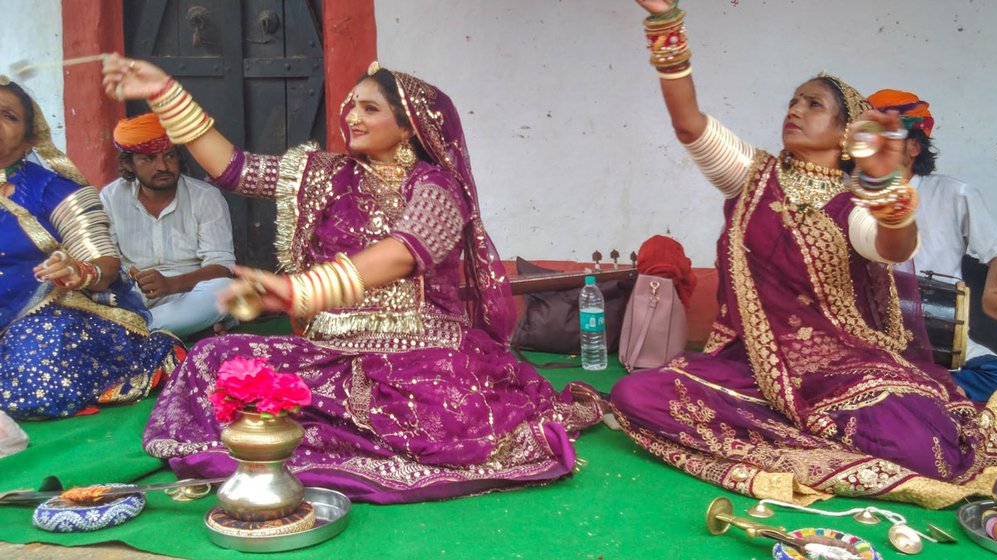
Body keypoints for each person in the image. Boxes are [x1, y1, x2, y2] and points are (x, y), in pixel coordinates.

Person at [102, 56, 604, 503]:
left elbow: (405, 253)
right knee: (214, 359)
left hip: (418, 350)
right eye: (350, 106)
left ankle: (315, 437)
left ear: (407, 127)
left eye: (369, 109)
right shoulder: (325, 174)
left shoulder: (436, 186)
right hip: (331, 350)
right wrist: (167, 93)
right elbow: (234, 169)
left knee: (445, 420)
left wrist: (302, 290)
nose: (351, 117)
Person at [609, 1, 997, 509]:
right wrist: (666, 23)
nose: (795, 111)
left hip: (843, 365)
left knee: (920, 445)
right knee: (636, 395)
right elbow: (689, 124)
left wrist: (890, 197)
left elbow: (893, 246)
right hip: (754, 363)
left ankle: (799, 431)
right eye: (793, 102)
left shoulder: (853, 205)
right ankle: (809, 435)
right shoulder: (752, 177)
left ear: (848, 132)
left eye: (813, 104)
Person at [0, 78, 182, 420]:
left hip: (43, 319)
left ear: (28, 142)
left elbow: (104, 264)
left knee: (36, 353)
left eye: (8, 116)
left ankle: (149, 356)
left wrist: (78, 271)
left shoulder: (55, 191)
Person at [868, 89, 997, 402]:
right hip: (869, 340)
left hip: (943, 346)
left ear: (914, 147)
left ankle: (918, 391)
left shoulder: (953, 194)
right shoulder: (849, 199)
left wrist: (994, 294)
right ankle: (925, 391)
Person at [100, 113, 236, 339]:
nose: (163, 166)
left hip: (190, 293)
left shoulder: (206, 197)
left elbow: (222, 267)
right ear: (128, 164)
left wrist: (172, 284)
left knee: (224, 290)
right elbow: (107, 258)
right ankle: (185, 330)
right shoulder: (111, 197)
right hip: (135, 296)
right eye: (149, 159)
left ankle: (129, 333)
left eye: (169, 156)